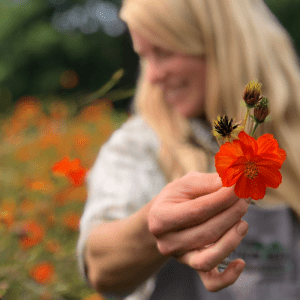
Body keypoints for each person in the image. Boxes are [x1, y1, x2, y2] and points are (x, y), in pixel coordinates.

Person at [76, 0, 300, 299]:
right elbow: (100, 266)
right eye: (145, 57)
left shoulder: (288, 137)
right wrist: (153, 227)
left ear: (222, 45)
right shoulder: (138, 144)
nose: (153, 76)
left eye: (164, 52)